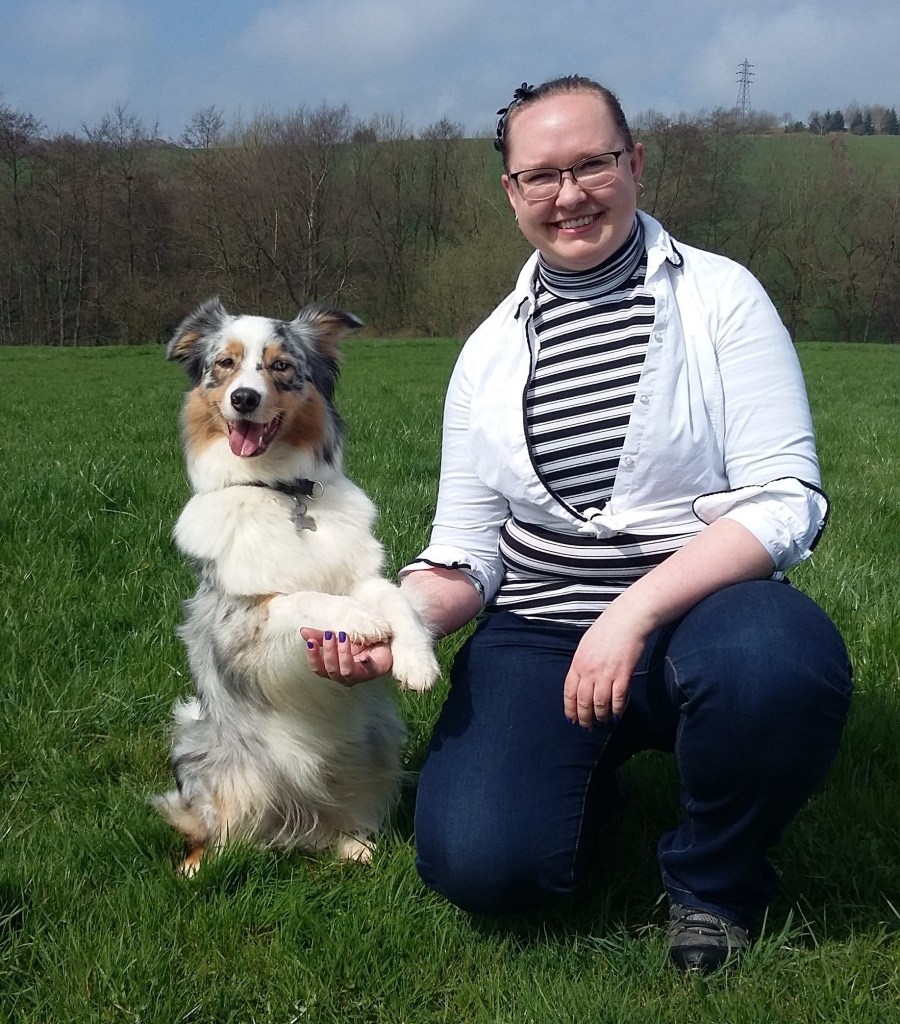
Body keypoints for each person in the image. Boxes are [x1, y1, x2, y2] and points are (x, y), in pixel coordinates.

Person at [301, 75, 852, 973]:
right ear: (511, 191)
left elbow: (787, 499)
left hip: (707, 615)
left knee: (776, 670)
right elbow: (466, 552)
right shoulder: (488, 352)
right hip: (541, 634)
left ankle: (714, 883)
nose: (569, 195)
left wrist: (631, 612)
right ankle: (583, 780)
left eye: (592, 164)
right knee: (482, 867)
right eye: (540, 176)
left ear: (635, 163)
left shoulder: (723, 297)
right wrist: (394, 623)